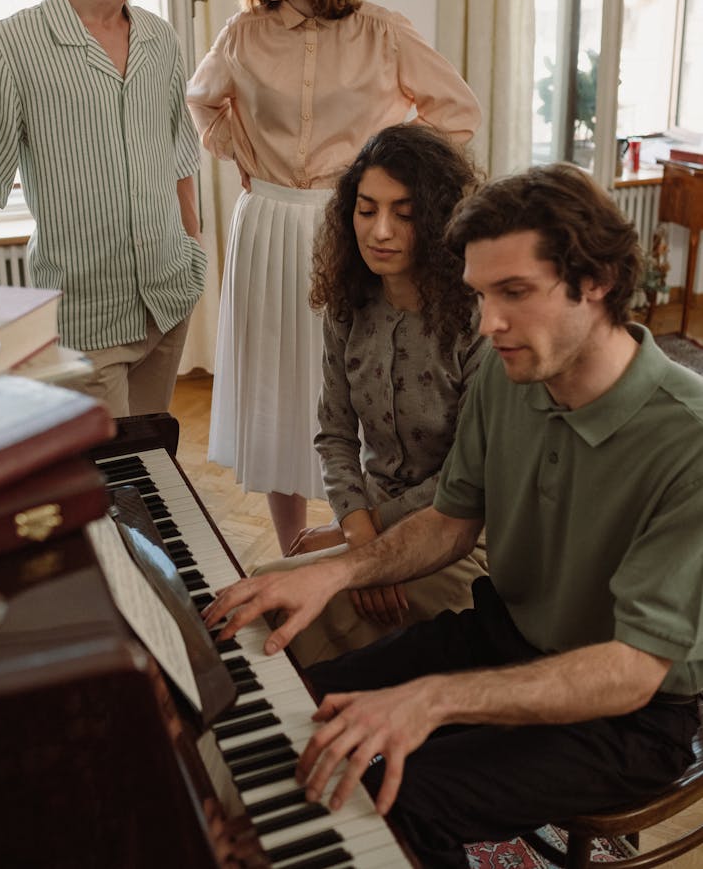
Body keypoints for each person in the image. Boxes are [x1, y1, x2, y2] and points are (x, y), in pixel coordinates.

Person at [204, 162, 703, 869]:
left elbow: (632, 670)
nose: (487, 322)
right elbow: (451, 520)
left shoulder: (689, 439)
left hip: (627, 716)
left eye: (514, 293)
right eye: (479, 293)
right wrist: (333, 573)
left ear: (597, 283)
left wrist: (432, 700)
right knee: (296, 710)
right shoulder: (508, 374)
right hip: (504, 635)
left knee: (389, 793)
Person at [186, 0, 480, 554]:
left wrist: (388, 181)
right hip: (267, 224)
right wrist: (244, 150)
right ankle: (293, 547)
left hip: (348, 226)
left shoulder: (382, 31)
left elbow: (458, 111)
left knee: (353, 381)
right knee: (274, 389)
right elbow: (201, 101)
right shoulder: (241, 34)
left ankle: (360, 534)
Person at [0, 0, 206, 417]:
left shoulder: (160, 40)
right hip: (86, 321)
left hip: (169, 300)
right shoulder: (11, 45)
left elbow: (180, 156)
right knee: (110, 487)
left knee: (154, 466)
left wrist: (194, 252)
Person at [259, 124, 488, 667]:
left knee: (275, 607)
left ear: (437, 221)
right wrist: (359, 536)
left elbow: (470, 475)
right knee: (263, 592)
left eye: (404, 213)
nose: (380, 231)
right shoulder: (350, 302)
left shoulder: (480, 317)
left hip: (464, 538)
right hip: (371, 527)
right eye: (366, 210)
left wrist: (365, 547)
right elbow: (335, 435)